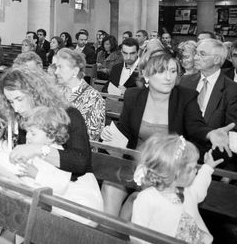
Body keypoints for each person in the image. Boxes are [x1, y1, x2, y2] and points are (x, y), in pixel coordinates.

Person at [100, 51, 233, 217]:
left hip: (166, 169)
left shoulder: (185, 97)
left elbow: (195, 127)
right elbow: (125, 129)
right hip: (136, 163)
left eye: (172, 71)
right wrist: (109, 133)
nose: (168, 77)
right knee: (110, 187)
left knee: (134, 203)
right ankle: (107, 238)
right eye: (161, 71)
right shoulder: (133, 95)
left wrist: (211, 133)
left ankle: (125, 240)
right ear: (146, 75)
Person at [0, 104, 104, 244]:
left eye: (33, 133)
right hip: (40, 203)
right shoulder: (33, 151)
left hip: (62, 208)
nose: (27, 137)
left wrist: (35, 174)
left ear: (50, 137)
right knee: (1, 195)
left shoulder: (57, 154)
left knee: (7, 203)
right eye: (27, 132)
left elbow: (60, 185)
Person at [0, 67, 92, 244]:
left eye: (19, 99)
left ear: (36, 91)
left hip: (72, 193)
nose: (16, 108)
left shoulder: (69, 114)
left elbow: (81, 162)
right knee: (4, 241)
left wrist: (40, 149)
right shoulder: (25, 119)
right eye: (11, 102)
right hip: (38, 190)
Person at [131, 134, 233, 244]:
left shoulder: (188, 191)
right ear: (175, 172)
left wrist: (207, 168)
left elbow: (199, 188)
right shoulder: (148, 198)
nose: (195, 171)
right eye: (192, 168)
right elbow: (137, 236)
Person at [181, 39, 237, 168]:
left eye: (202, 54)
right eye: (196, 53)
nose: (195, 57)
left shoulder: (232, 90)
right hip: (182, 154)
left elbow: (230, 129)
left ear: (217, 60)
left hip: (213, 158)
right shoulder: (185, 81)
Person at [53, 48, 105, 141]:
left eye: (60, 67)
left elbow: (92, 136)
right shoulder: (55, 91)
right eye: (56, 67)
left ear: (75, 71)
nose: (56, 72)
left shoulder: (93, 98)